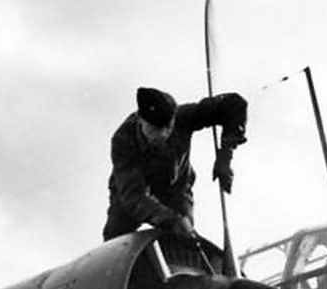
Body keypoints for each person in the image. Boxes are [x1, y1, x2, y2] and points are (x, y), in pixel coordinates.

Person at [103, 86, 247, 241]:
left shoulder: (183, 117)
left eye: (168, 127)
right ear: (140, 120)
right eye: (154, 129)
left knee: (185, 239)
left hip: (175, 190)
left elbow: (234, 104)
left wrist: (225, 156)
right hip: (132, 194)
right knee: (115, 241)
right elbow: (134, 197)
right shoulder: (122, 141)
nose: (163, 135)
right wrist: (170, 220)